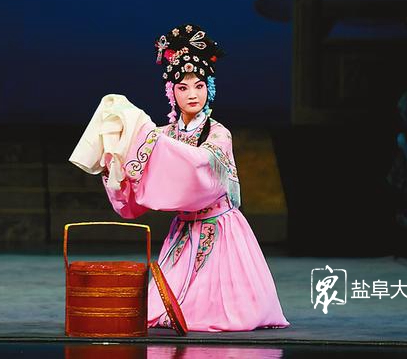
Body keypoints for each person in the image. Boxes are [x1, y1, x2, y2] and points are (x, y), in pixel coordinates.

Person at [98, 24, 289, 331]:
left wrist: (154, 142)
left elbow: (201, 166)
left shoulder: (218, 134)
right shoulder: (163, 134)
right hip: (184, 229)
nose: (192, 94)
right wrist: (117, 163)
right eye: (183, 88)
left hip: (220, 228)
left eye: (199, 86)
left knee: (226, 311)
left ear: (208, 89)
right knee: (158, 310)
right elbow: (139, 167)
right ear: (171, 92)